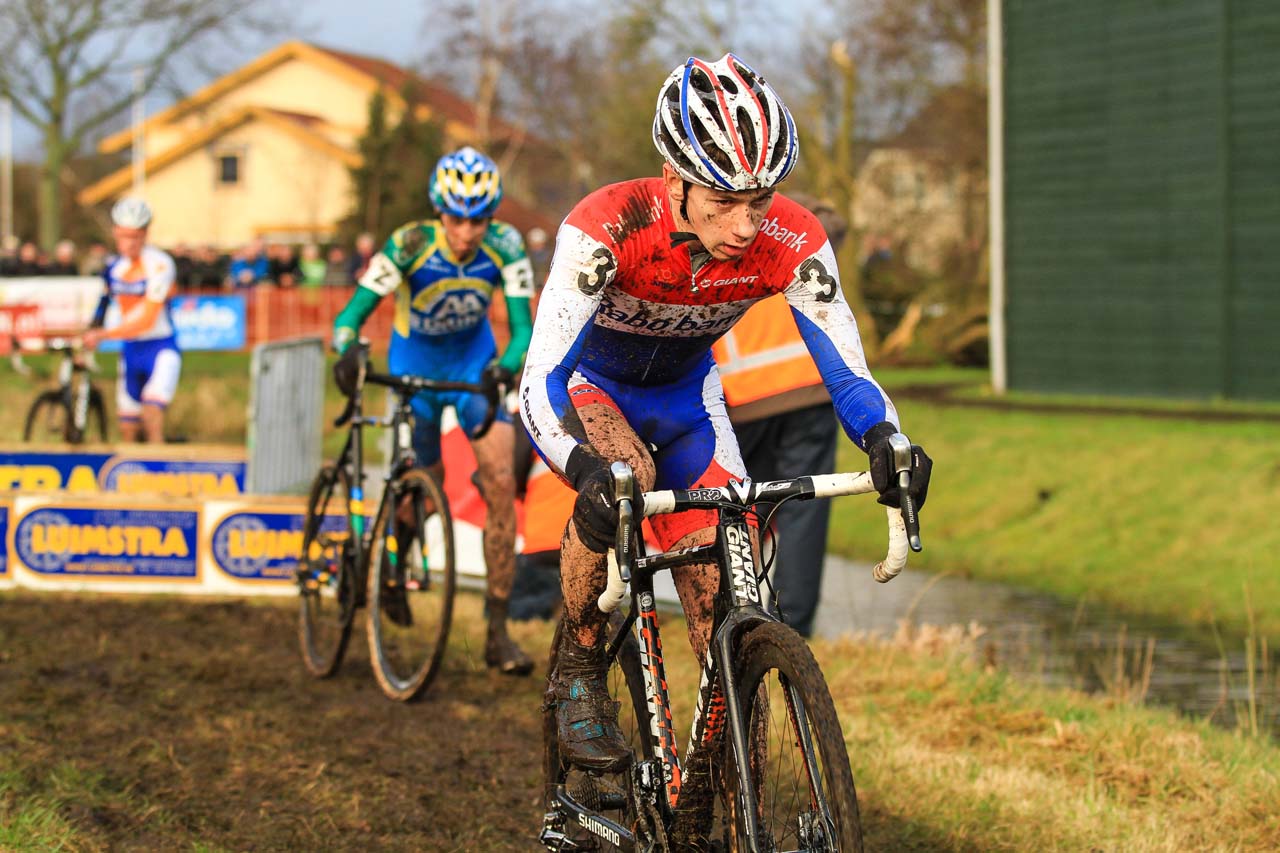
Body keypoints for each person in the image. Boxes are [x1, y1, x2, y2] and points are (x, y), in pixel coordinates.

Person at [519, 53, 933, 774]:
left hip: (688, 399)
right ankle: (580, 665)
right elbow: (538, 381)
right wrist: (583, 466)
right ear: (674, 179)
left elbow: (847, 370)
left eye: (761, 201)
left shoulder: (791, 238)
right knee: (625, 474)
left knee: (728, 600)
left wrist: (887, 439)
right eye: (723, 201)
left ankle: (717, 782)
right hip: (593, 389)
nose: (745, 225)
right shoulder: (606, 227)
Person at [331, 146, 538, 675]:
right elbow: (352, 313)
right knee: (421, 486)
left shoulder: (507, 245)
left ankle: (497, 631)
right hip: (414, 373)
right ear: (438, 211)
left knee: (498, 481)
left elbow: (521, 330)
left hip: (472, 371)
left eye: (478, 219)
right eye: (455, 218)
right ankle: (395, 566)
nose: (466, 232)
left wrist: (506, 366)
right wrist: (347, 348)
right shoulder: (411, 242)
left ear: (490, 217)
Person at [710, 195, 849, 638]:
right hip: (805, 391)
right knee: (802, 513)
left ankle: (734, 620)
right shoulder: (796, 239)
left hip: (744, 399)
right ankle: (792, 631)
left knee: (740, 513)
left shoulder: (717, 237)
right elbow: (831, 221)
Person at [82, 197, 181, 444]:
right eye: (124, 236)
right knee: (128, 425)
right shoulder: (114, 267)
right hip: (130, 350)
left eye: (136, 236)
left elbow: (147, 319)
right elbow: (104, 303)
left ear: (145, 234)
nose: (130, 243)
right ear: (116, 233)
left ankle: (160, 475)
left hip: (159, 347)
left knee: (152, 412)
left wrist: (104, 336)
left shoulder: (160, 264)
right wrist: (92, 331)